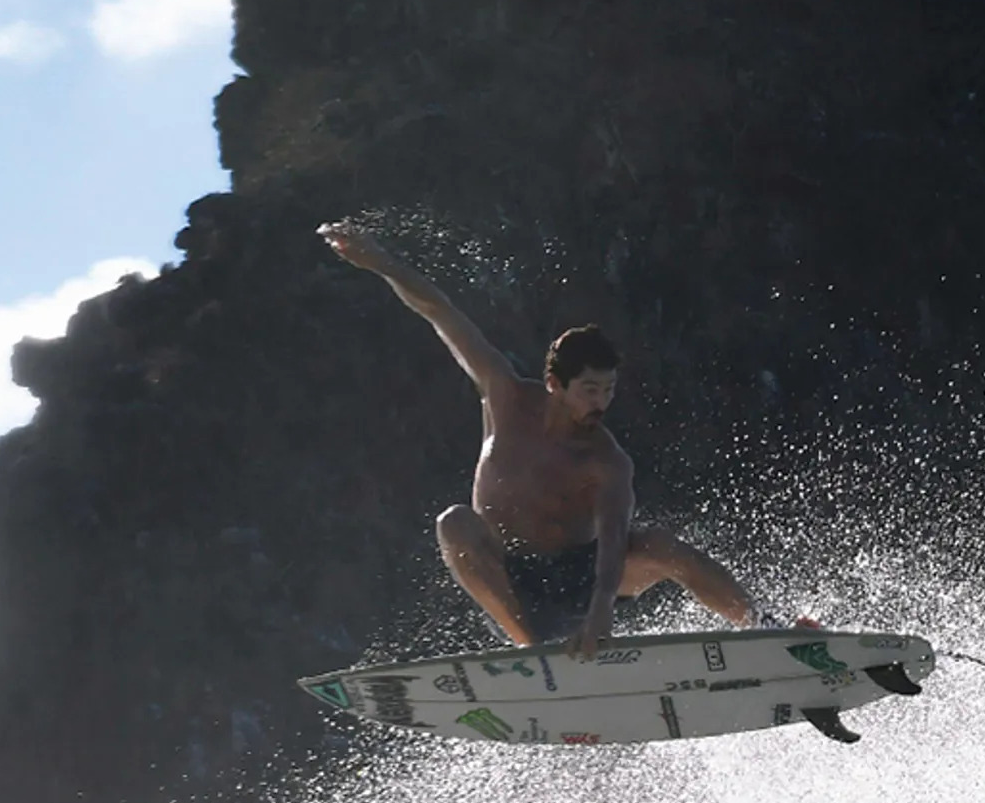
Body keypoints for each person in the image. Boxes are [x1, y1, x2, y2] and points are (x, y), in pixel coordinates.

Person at [318, 221, 774, 660]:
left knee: (663, 546)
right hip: (512, 583)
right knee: (454, 523)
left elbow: (614, 539)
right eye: (590, 390)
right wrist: (384, 263)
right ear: (555, 384)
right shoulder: (504, 395)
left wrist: (600, 612)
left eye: (609, 390)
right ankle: (532, 652)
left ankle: (766, 629)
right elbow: (441, 313)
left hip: (581, 579)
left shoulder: (606, 461)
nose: (601, 403)